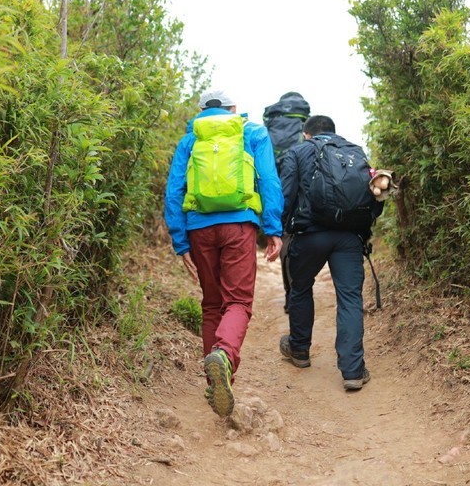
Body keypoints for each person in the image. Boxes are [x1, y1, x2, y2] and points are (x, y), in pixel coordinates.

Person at [164, 88, 284, 417]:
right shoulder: (252, 132)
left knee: (212, 304)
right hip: (238, 225)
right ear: (233, 108)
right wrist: (273, 228)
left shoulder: (190, 140)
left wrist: (180, 240)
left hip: (198, 228)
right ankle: (225, 357)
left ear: (201, 110)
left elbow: (174, 190)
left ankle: (212, 380)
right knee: (239, 302)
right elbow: (269, 180)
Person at [277, 114, 384, 391]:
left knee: (300, 288)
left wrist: (278, 231)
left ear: (307, 134)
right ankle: (353, 371)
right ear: (334, 133)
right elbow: (372, 195)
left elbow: (286, 195)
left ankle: (299, 350)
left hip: (309, 235)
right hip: (349, 237)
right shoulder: (354, 151)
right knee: (349, 298)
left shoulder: (298, 151)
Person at [262, 91, 311, 311]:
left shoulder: (270, 126)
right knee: (300, 239)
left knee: (285, 241)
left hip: (275, 190)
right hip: (301, 191)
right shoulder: (303, 124)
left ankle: (290, 294)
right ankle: (300, 290)